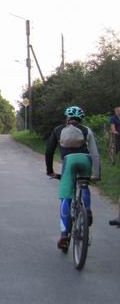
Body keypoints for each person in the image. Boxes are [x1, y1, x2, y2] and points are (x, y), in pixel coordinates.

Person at [45, 106, 101, 251]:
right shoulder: (87, 130)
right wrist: (97, 174)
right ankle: (87, 210)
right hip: (85, 160)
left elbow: (49, 152)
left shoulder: (58, 130)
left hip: (69, 162)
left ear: (67, 118)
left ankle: (64, 235)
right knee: (84, 184)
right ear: (80, 118)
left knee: (66, 197)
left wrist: (50, 170)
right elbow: (95, 154)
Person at [109, 106, 120, 227]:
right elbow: (113, 128)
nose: (119, 112)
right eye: (117, 111)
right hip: (117, 136)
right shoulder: (113, 119)